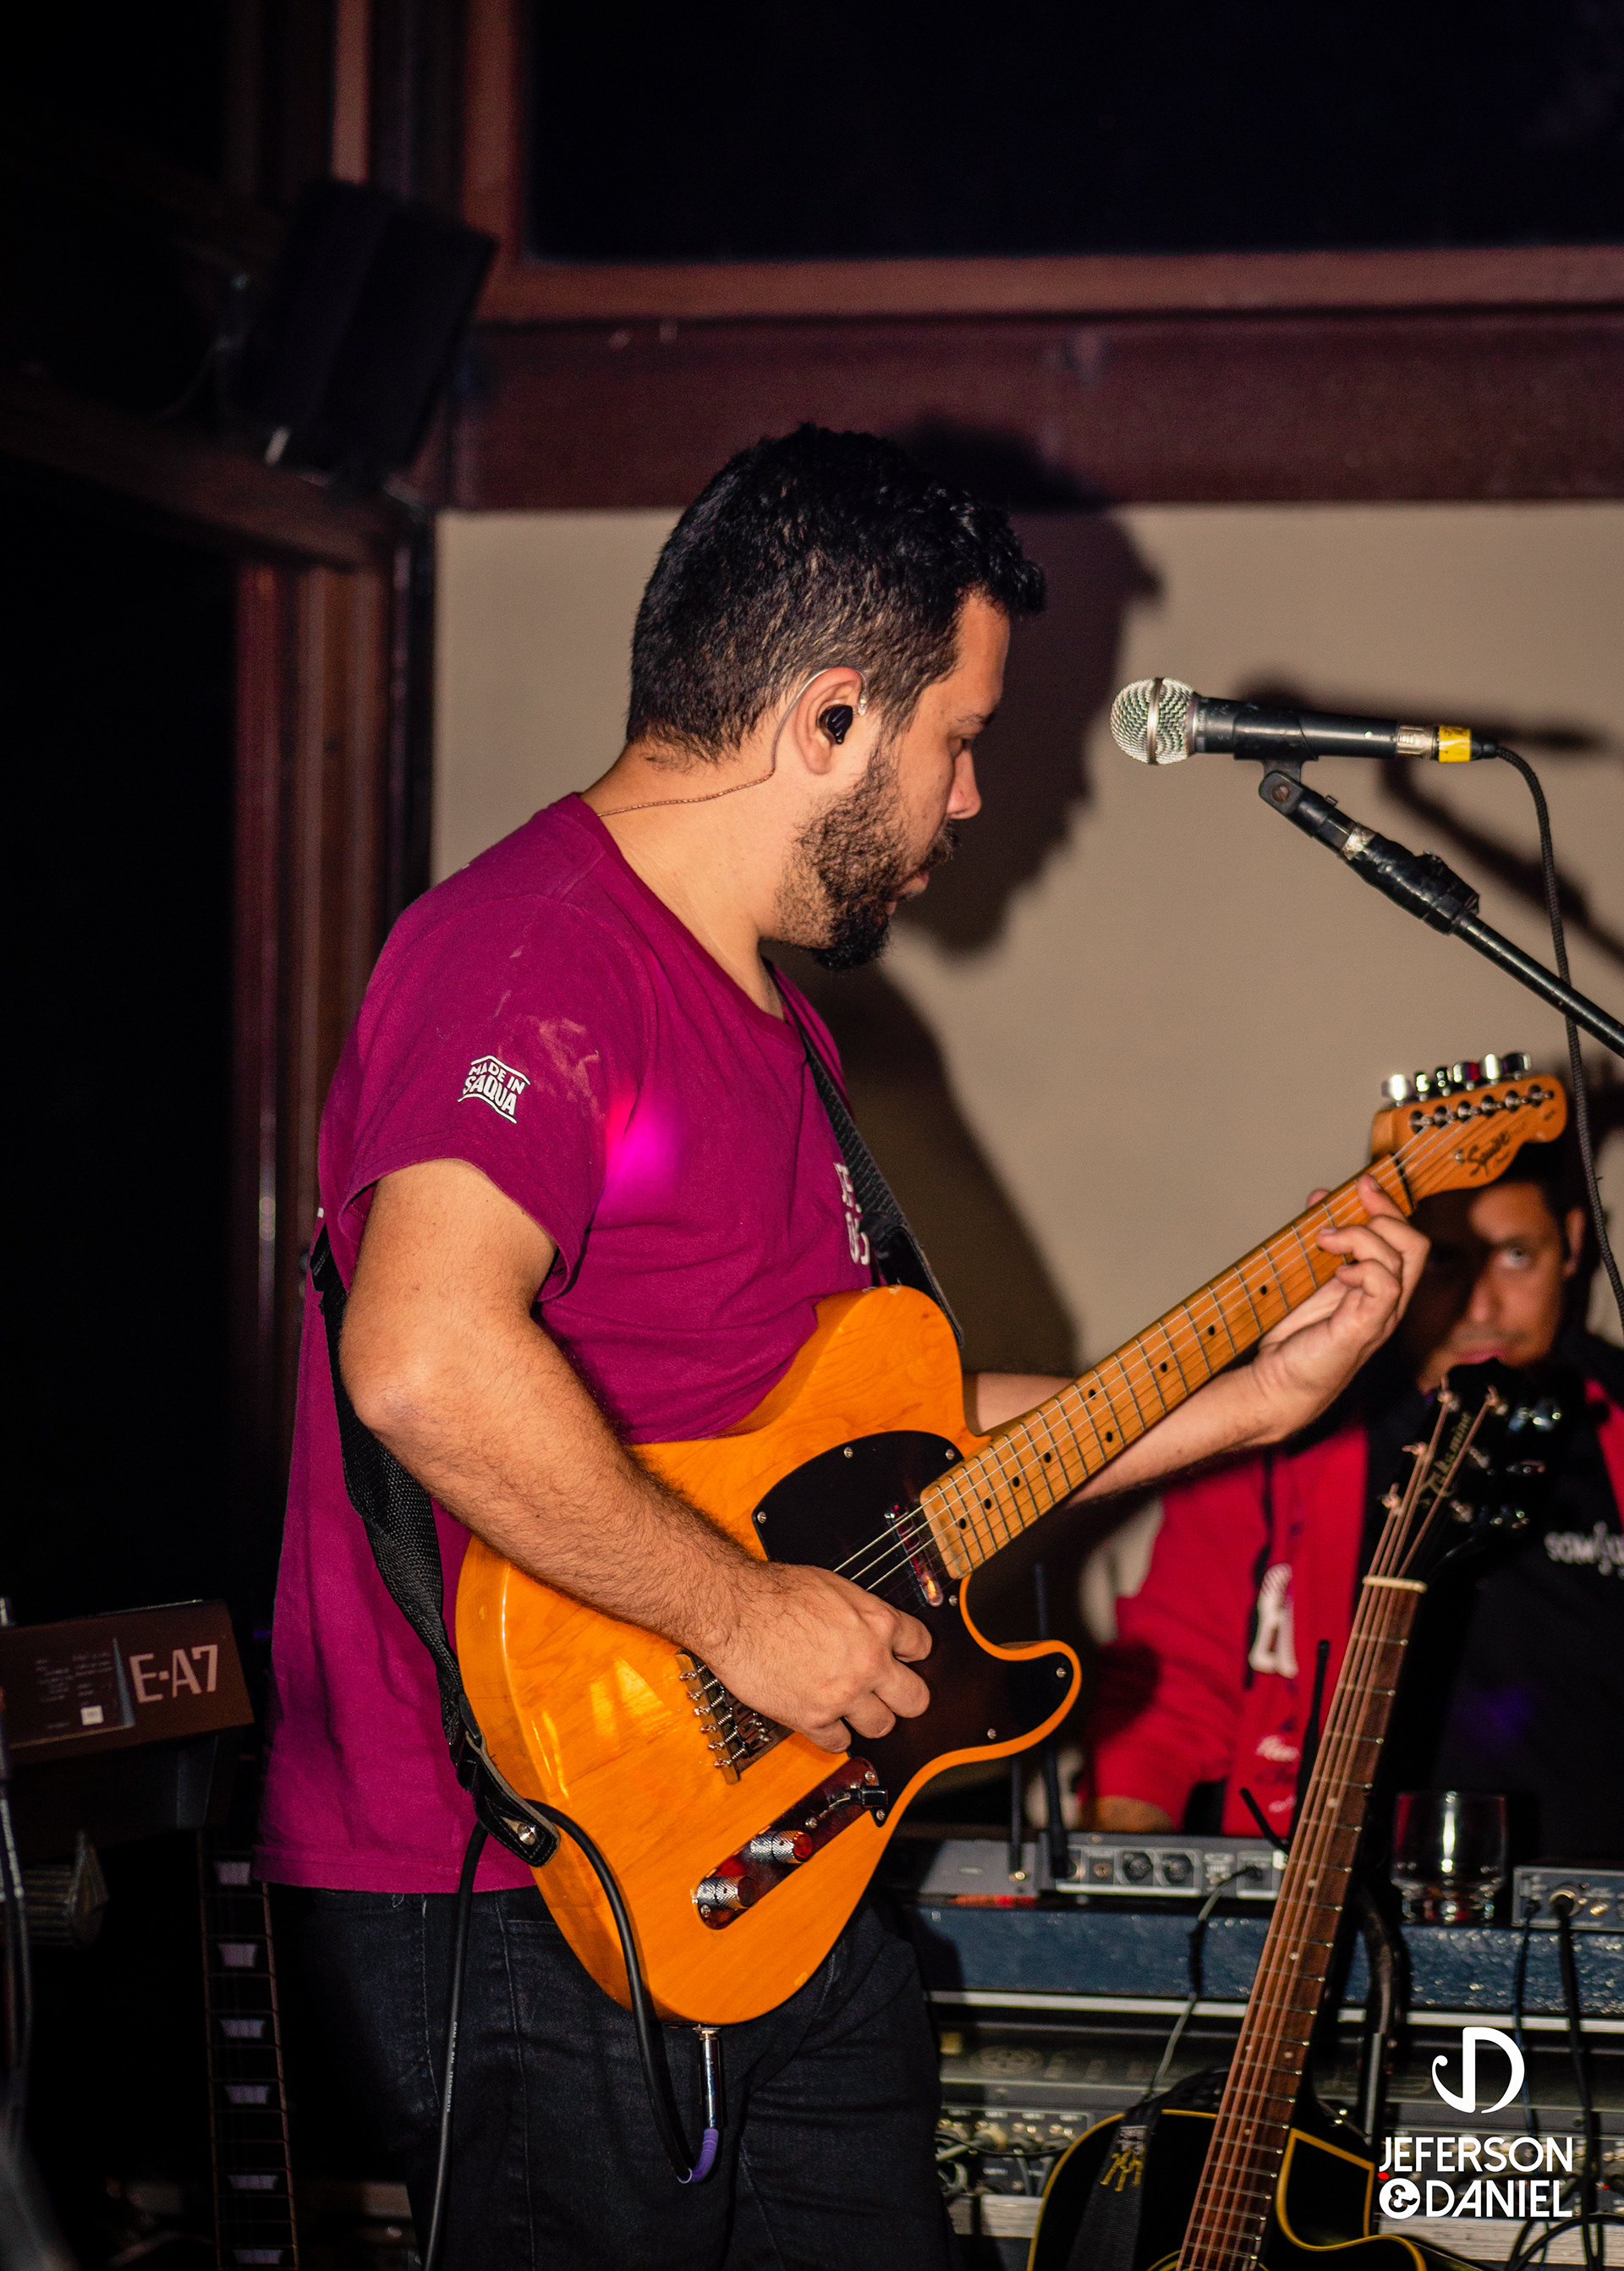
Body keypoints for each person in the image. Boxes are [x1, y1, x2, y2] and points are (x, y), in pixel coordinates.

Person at [255, 425, 1426, 2270]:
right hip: (526, 1874)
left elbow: (897, 1440)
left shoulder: (770, 1025)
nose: (969, 797)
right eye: (957, 737)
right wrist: (739, 1615)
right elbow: (418, 1357)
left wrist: (1253, 1397)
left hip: (768, 1856)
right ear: (825, 721)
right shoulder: (539, 954)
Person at [1084, 1132, 1624, 1862]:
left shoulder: (1615, 1417)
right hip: (1334, 1894)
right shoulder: (1283, 1434)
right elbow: (1169, 1692)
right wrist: (1118, 1888)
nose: (1481, 1302)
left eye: (1516, 1255)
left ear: (1574, 1243)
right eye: (1445, 1261)